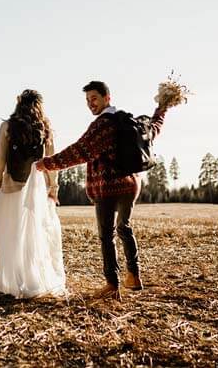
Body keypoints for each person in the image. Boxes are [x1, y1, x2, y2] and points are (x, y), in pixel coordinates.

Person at [36, 81, 166, 300]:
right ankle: (133, 276)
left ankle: (112, 285)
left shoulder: (103, 125)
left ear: (107, 98)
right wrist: (162, 107)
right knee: (124, 227)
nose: (90, 104)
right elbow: (154, 128)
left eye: (94, 98)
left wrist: (48, 163)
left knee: (107, 235)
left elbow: (80, 151)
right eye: (87, 100)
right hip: (131, 185)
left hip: (107, 187)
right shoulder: (129, 121)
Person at [0, 89, 66, 299]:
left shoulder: (7, 126)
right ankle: (33, 278)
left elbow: (0, 157)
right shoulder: (46, 128)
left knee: (12, 235)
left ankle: (14, 280)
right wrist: (54, 188)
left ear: (18, 102)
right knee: (36, 235)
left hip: (12, 186)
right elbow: (52, 162)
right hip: (37, 191)